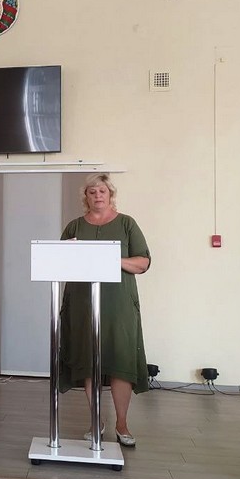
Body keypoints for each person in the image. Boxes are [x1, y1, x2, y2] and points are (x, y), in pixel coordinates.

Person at [59, 173, 151, 447]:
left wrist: (111, 258)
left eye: (102, 191)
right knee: (90, 361)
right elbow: (59, 260)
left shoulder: (126, 223)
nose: (97, 195)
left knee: (121, 361)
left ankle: (122, 423)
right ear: (85, 197)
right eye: (92, 192)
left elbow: (142, 263)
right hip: (82, 303)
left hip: (118, 303)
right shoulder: (75, 226)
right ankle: (95, 420)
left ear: (110, 194)